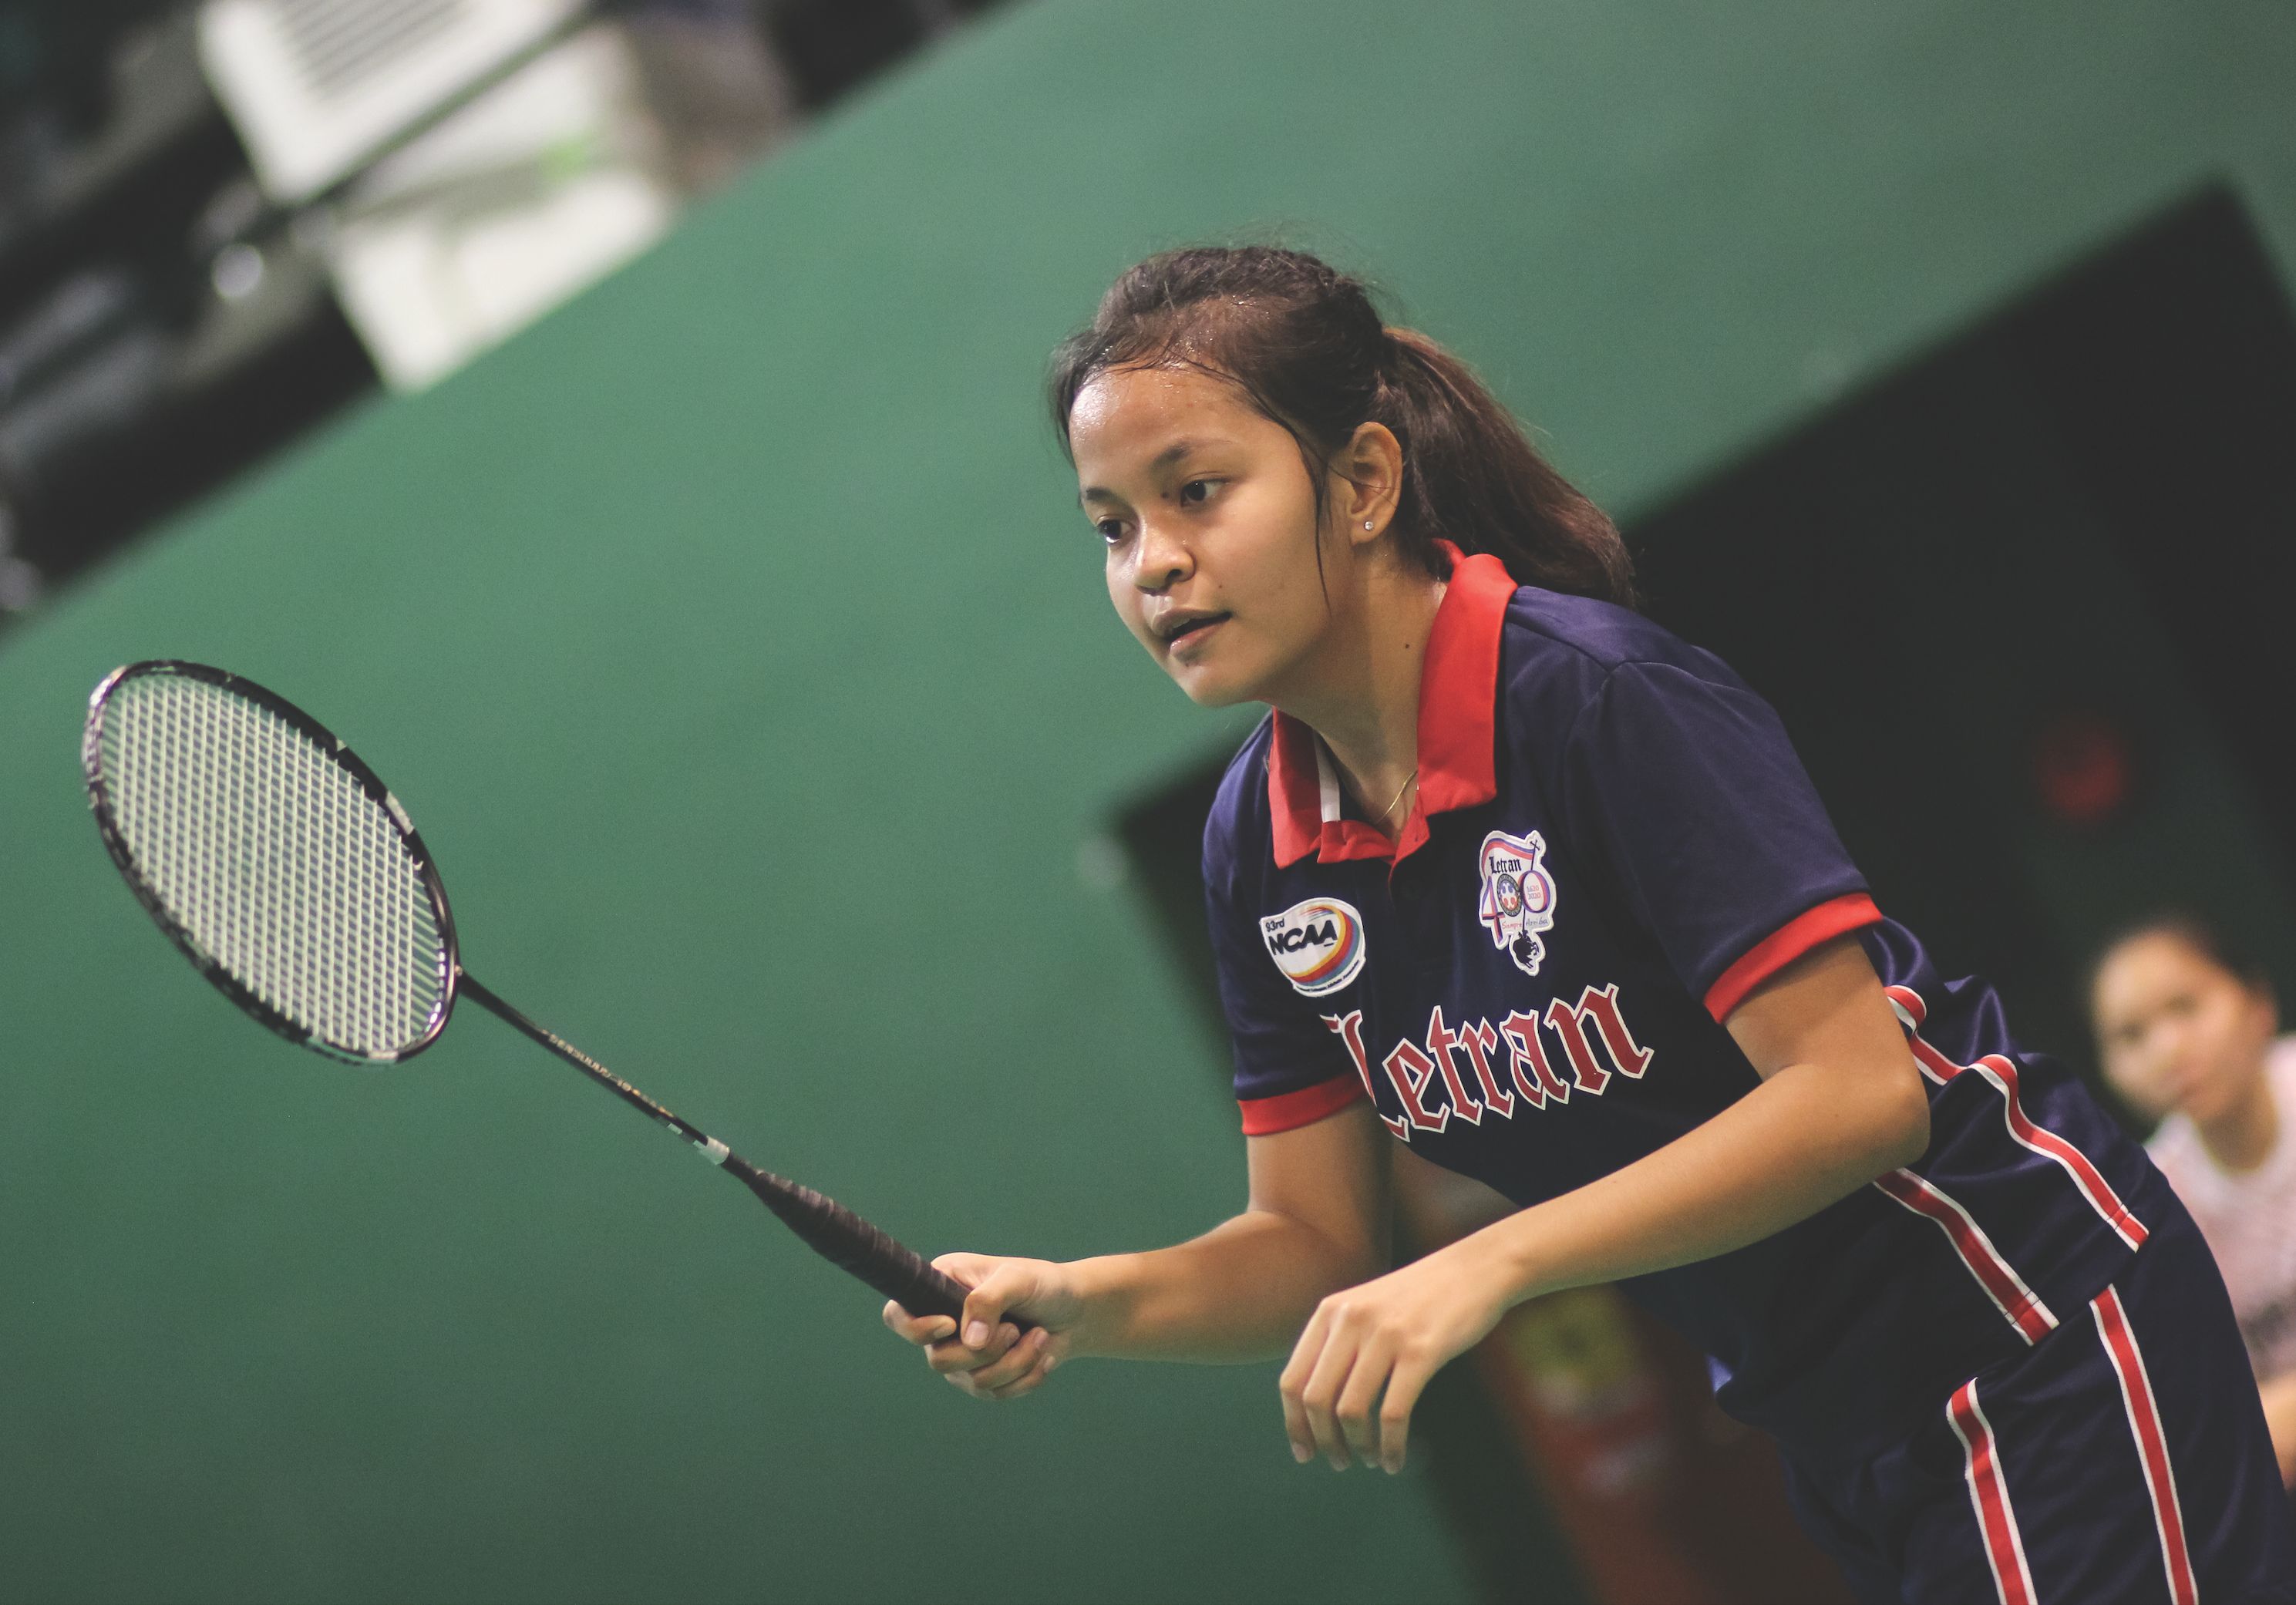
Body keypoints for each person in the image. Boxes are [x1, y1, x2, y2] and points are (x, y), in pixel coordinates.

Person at [881, 246, 2294, 1601]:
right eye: (1112, 525)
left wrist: (1496, 1257)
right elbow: (1309, 1236)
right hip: (1835, 1418)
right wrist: (1086, 1300)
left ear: (1361, 481)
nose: (1153, 563)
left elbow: (1859, 1095)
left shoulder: (1597, 700)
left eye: (1196, 491)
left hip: (2024, 1323)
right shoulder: (1256, 846)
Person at [2093, 913, 2296, 1488]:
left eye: (2185, 1007)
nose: (2167, 1049)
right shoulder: (2146, 1205)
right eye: (2131, 1036)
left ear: (2258, 1004)